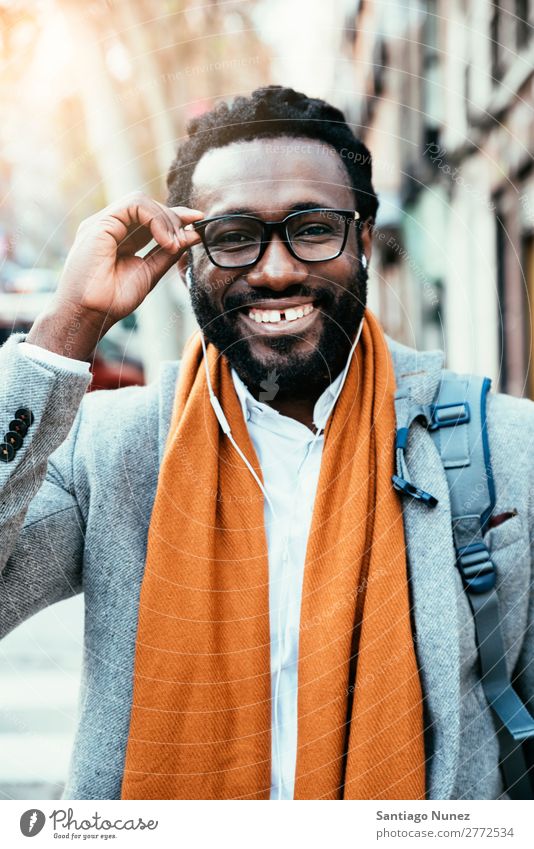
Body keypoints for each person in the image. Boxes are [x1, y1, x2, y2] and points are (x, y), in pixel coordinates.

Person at [0, 85, 532, 801]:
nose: (276, 269)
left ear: (365, 243)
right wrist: (69, 323)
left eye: (313, 229)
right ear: (186, 256)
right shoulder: (110, 450)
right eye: (235, 235)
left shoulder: (506, 449)